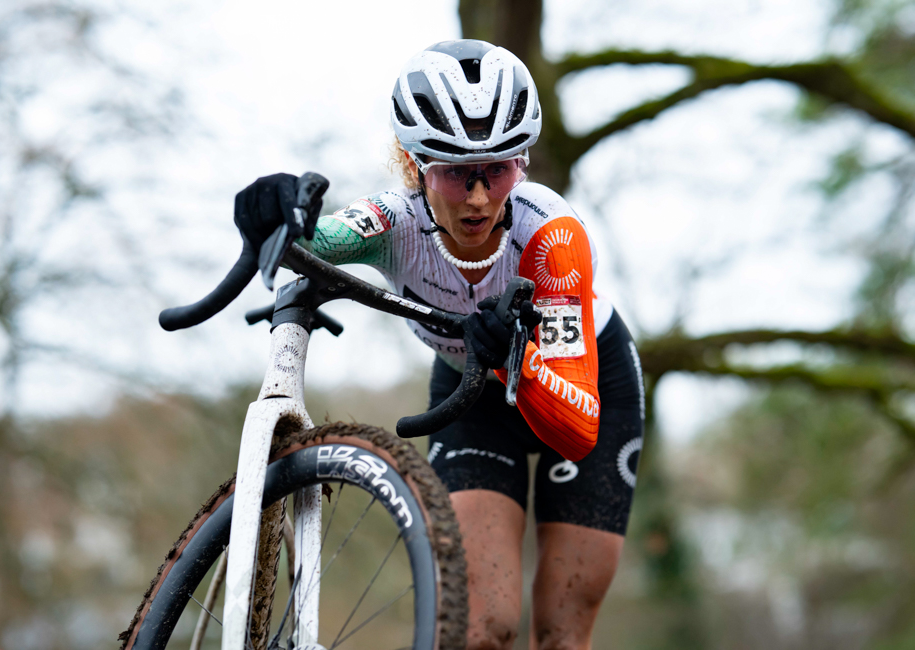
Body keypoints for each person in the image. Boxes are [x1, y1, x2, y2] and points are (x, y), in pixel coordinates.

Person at [234, 39, 645, 650]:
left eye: (497, 170)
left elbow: (577, 433)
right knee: (481, 629)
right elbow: (314, 238)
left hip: (584, 384)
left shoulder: (553, 236)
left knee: (561, 635)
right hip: (471, 393)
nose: (478, 197)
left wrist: (520, 359)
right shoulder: (393, 224)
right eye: (455, 173)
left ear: (522, 164)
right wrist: (272, 208)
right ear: (414, 165)